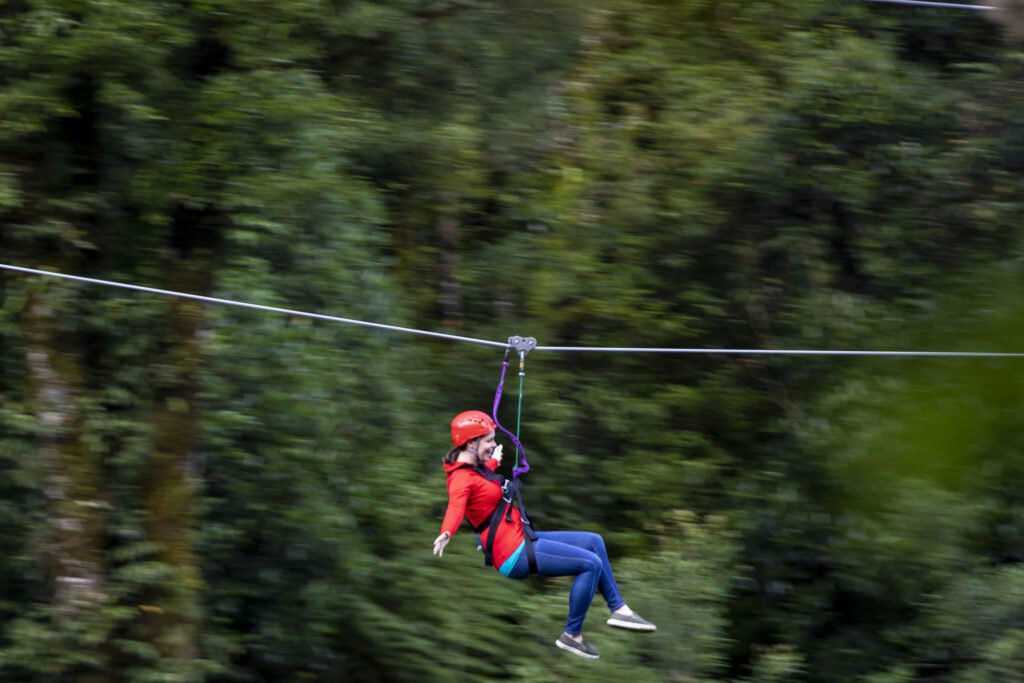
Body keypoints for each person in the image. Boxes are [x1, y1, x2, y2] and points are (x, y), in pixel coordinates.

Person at [432, 410, 656, 660]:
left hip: (522, 537)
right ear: (471, 443)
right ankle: (573, 635)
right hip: (512, 554)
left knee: (594, 542)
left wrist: (494, 460)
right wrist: (446, 532)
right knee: (590, 564)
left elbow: (483, 486)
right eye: (489, 440)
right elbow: (456, 505)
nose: (494, 444)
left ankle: (620, 609)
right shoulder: (461, 478)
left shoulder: (475, 469)